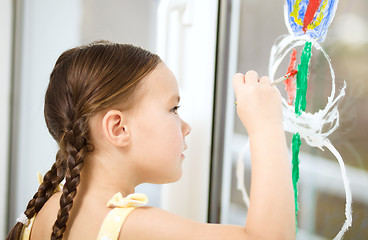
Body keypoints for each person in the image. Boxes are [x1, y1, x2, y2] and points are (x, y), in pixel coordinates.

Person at [7, 41, 295, 240]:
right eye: (173, 109)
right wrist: (266, 126)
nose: (186, 127)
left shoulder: (47, 208)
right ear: (118, 128)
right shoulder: (131, 227)